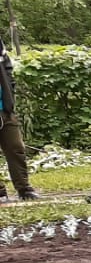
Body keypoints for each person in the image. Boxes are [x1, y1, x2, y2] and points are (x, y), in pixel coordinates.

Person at [0, 36, 36, 201]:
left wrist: (10, 93)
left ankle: (24, 189)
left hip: (5, 109)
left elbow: (7, 67)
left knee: (16, 147)